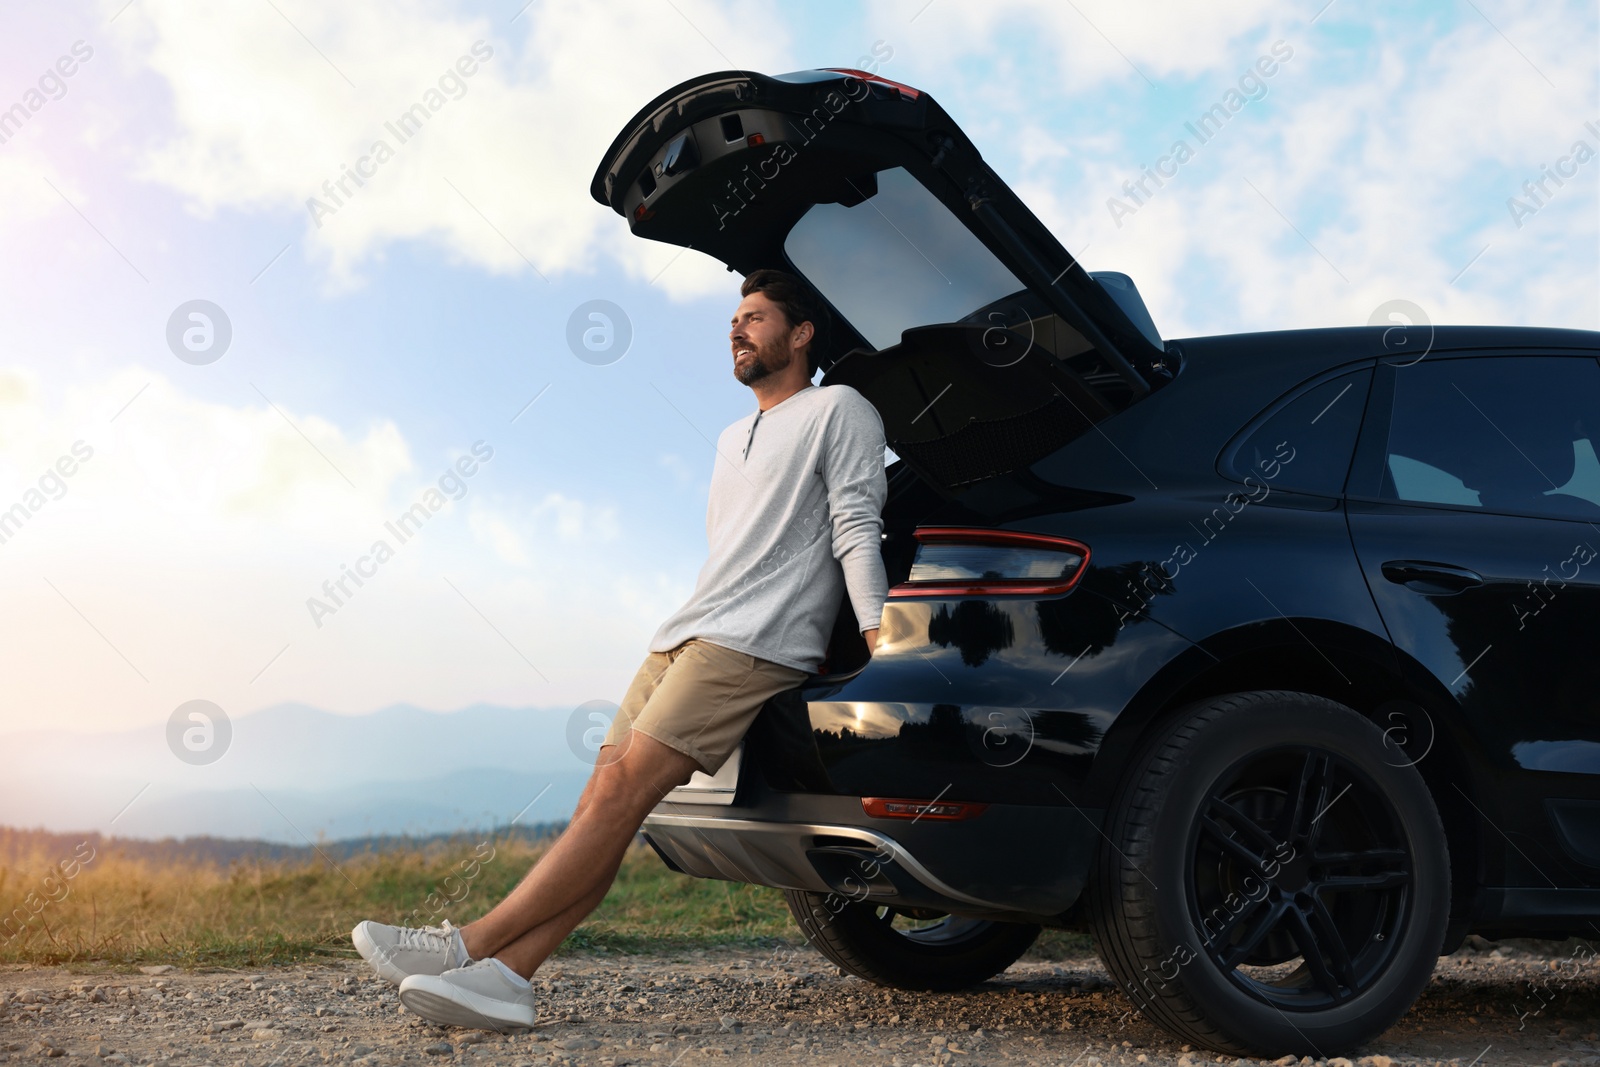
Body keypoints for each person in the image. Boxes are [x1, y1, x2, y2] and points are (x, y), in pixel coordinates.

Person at [350, 268, 889, 1030]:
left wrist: (879, 640)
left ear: (801, 334)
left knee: (618, 794)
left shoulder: (840, 409)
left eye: (757, 317)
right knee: (600, 799)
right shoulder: (735, 435)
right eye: (735, 319)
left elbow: (855, 527)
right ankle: (508, 977)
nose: (738, 330)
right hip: (683, 633)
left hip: (753, 641)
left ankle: (464, 945)